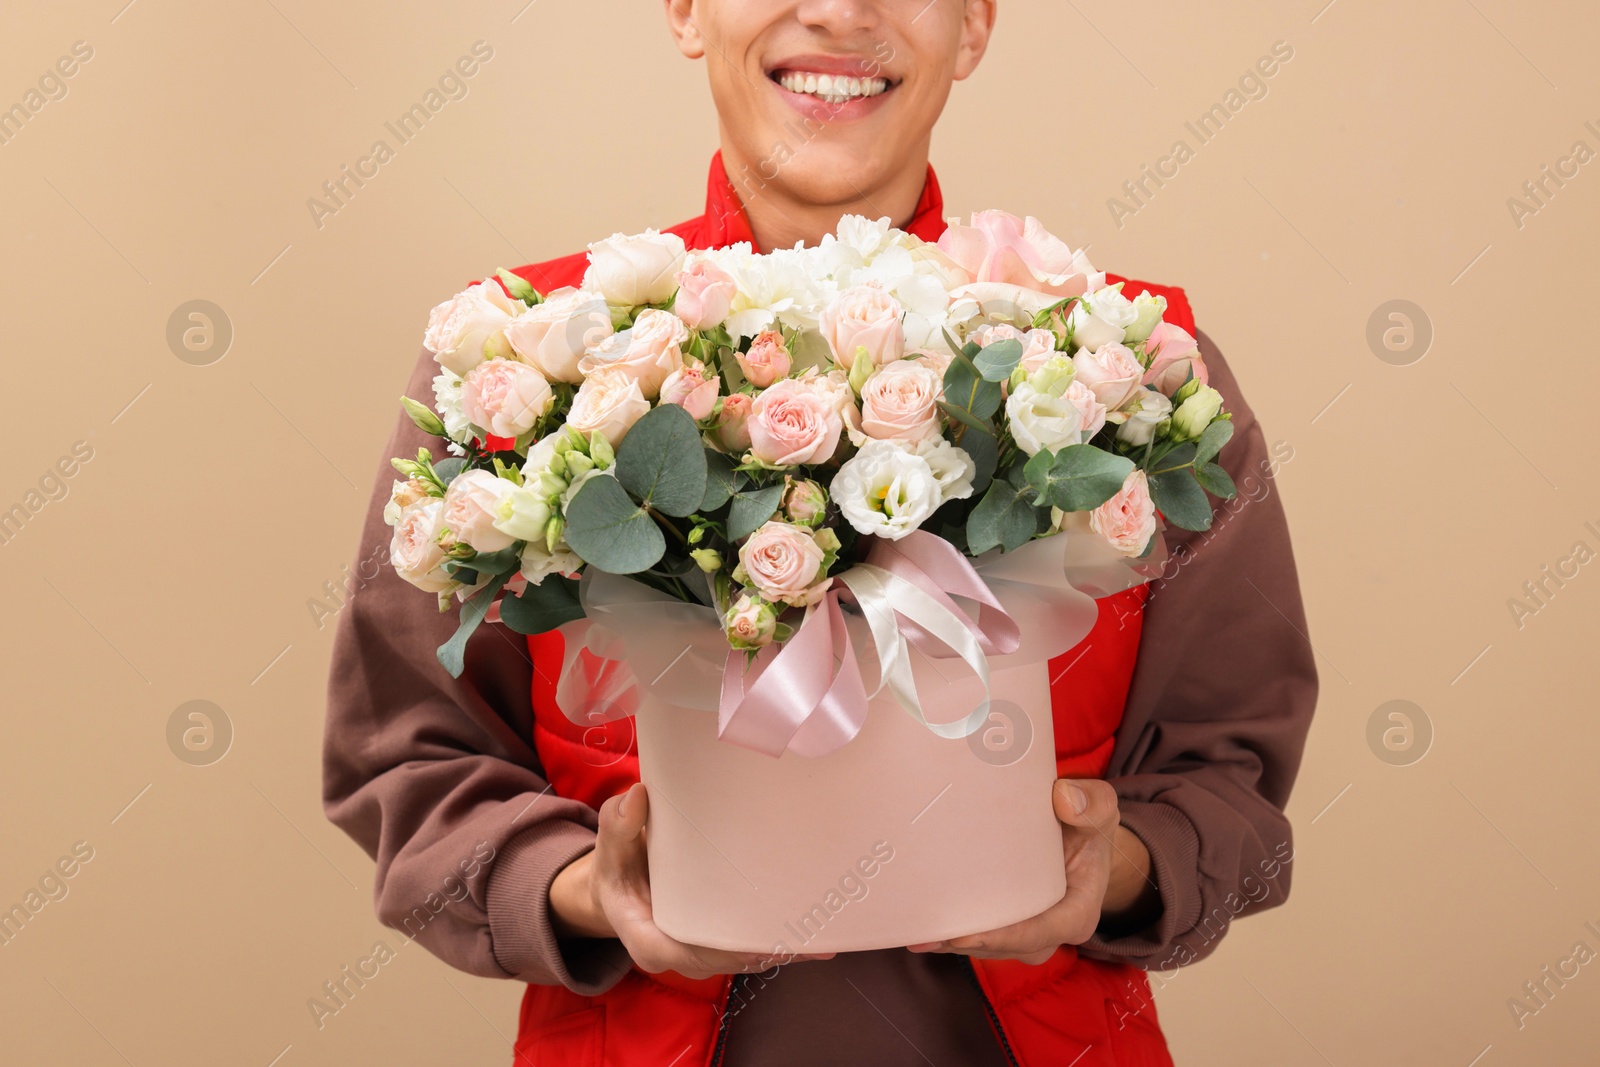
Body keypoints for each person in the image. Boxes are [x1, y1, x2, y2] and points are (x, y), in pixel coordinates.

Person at [322, 2, 1318, 1063]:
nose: (840, 10)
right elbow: (406, 762)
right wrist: (585, 887)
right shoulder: (522, 364)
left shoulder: (1132, 377)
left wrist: (1112, 864)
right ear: (686, 10)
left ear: (974, 25)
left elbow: (1232, 777)